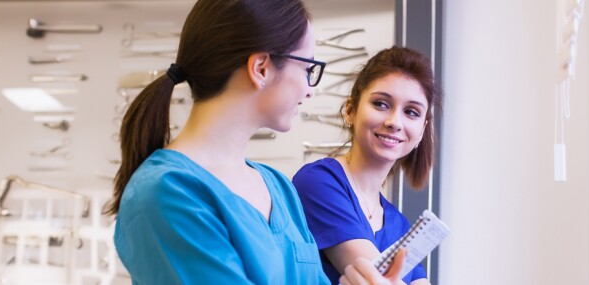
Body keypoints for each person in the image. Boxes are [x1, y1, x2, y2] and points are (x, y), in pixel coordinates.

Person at [105, 0, 405, 284]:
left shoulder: (278, 187)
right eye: (307, 69)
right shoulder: (166, 193)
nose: (310, 89)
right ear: (261, 68)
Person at [293, 46, 443, 285]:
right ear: (350, 110)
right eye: (381, 104)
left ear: (422, 130)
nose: (394, 122)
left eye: (412, 112)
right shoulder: (318, 182)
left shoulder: (398, 224)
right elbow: (376, 279)